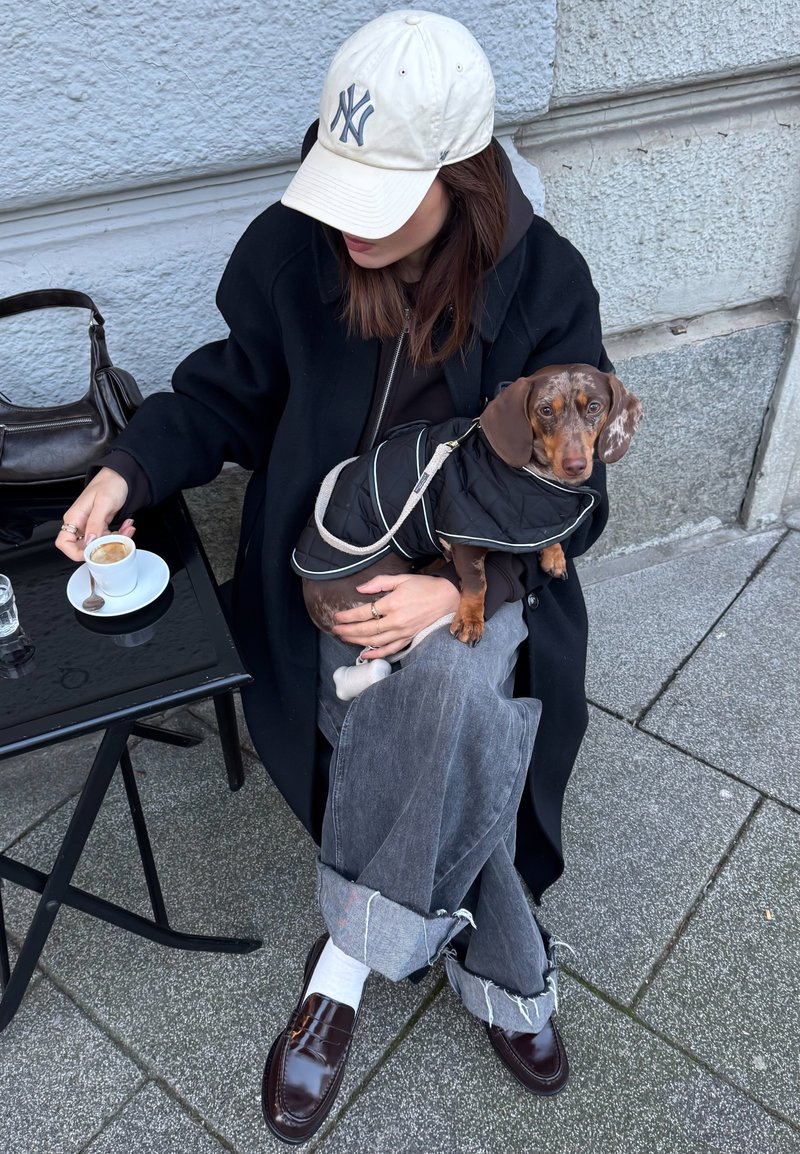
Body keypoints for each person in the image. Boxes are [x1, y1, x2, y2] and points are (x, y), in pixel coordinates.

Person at [57, 10, 612, 1143]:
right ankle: (508, 965)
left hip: (484, 579)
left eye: (383, 195)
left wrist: (466, 595)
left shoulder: (547, 284)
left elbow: (576, 490)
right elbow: (224, 392)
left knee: (452, 678)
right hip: (326, 565)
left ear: (462, 178)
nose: (350, 225)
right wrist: (127, 468)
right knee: (440, 706)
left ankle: (343, 969)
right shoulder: (294, 246)